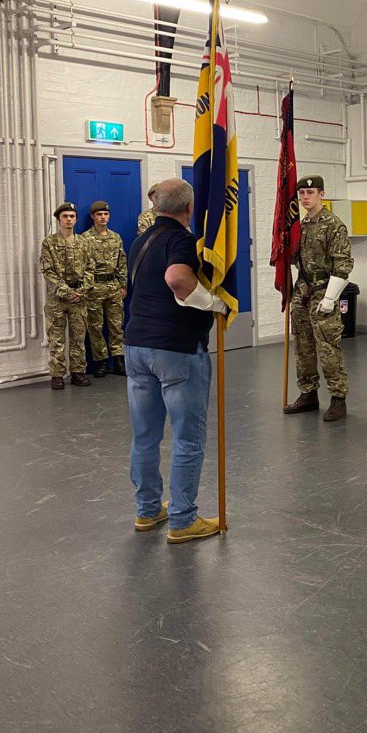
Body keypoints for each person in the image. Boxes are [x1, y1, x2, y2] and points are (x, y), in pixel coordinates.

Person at [124, 178, 227, 543]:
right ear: (189, 208)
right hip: (176, 350)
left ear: (156, 206)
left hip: (136, 347)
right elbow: (177, 278)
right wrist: (214, 303)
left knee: (146, 436)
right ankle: (183, 519)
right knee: (188, 437)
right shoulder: (181, 239)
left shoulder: (140, 240)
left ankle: (148, 510)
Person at [284, 174, 354, 422]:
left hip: (324, 290)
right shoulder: (300, 225)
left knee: (327, 346)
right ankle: (308, 393)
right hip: (302, 290)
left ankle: (337, 398)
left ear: (321, 195)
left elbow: (343, 264)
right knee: (303, 346)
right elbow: (296, 259)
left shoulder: (333, 224)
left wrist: (330, 297)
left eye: (310, 193)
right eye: (301, 193)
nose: (305, 197)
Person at [40, 202, 95, 390]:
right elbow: (48, 271)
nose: (69, 220)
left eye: (72, 216)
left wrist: (81, 291)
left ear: (76, 219)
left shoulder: (84, 242)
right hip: (57, 299)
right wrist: (67, 292)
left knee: (78, 337)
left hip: (79, 297)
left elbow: (90, 268)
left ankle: (78, 372)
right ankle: (57, 375)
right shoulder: (49, 243)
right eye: (65, 216)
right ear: (58, 219)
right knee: (56, 338)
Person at [83, 200, 127, 378]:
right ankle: (101, 362)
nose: (103, 217)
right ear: (93, 216)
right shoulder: (85, 239)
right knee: (95, 326)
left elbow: (122, 262)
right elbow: (83, 265)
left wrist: (123, 284)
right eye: (99, 214)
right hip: (95, 287)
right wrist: (88, 287)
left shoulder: (115, 237)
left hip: (113, 286)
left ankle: (118, 360)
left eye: (106, 214)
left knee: (117, 325)